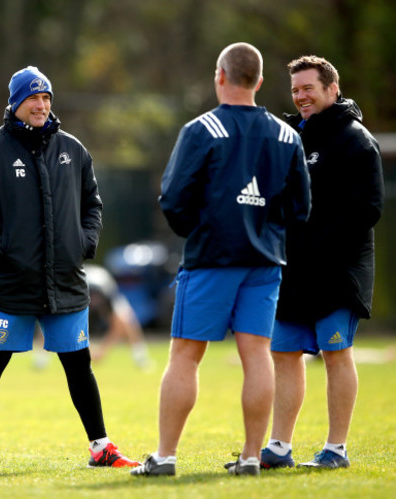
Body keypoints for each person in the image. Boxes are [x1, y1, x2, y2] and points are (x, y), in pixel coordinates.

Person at [131, 42, 311, 477]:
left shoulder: (201, 129)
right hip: (265, 263)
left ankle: (166, 457)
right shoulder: (288, 135)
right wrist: (263, 226)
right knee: (257, 354)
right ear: (260, 81)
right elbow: (300, 208)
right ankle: (252, 457)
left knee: (185, 355)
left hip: (211, 260)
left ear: (220, 76)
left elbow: (173, 200)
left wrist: (204, 228)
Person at [0, 66, 140, 475]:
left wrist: (84, 244)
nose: (41, 106)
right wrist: (2, 250)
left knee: (79, 366)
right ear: (16, 103)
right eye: (32, 99)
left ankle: (101, 447)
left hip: (65, 282)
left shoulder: (73, 149)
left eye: (46, 99)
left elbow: (93, 205)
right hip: (10, 282)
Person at [260, 56, 384, 470]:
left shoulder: (356, 140)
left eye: (308, 88)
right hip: (293, 270)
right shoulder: (290, 136)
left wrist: (318, 242)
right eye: (295, 90)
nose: (300, 96)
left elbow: (368, 209)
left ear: (332, 88)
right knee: (283, 353)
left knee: (336, 354)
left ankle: (336, 449)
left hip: (337, 270)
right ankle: (278, 448)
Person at [85, 264, 151, 368]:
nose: (94, 301)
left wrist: (103, 350)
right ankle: (48, 358)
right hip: (77, 296)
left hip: (107, 290)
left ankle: (140, 357)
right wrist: (87, 350)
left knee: (129, 320)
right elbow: (69, 328)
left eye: (96, 297)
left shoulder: (108, 293)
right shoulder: (75, 294)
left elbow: (120, 323)